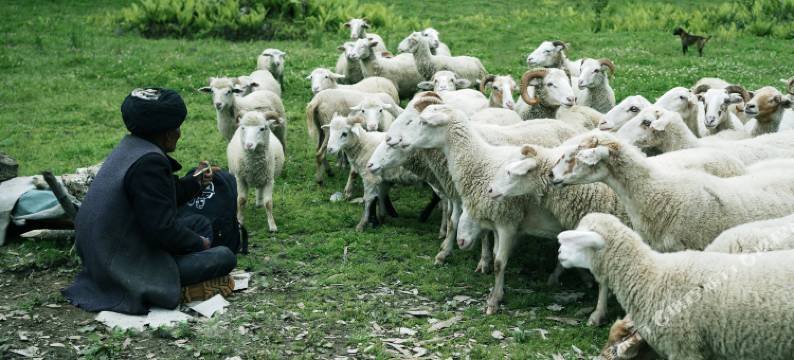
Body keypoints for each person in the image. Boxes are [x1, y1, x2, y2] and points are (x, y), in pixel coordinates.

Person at [62, 88, 237, 315]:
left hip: (106, 251)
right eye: (176, 128)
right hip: (122, 267)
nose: (179, 134)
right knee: (224, 256)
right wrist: (201, 245)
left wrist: (197, 183)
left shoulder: (132, 147)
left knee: (200, 224)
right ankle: (169, 284)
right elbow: (161, 230)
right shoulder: (149, 163)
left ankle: (183, 264)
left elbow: (162, 195)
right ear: (166, 134)